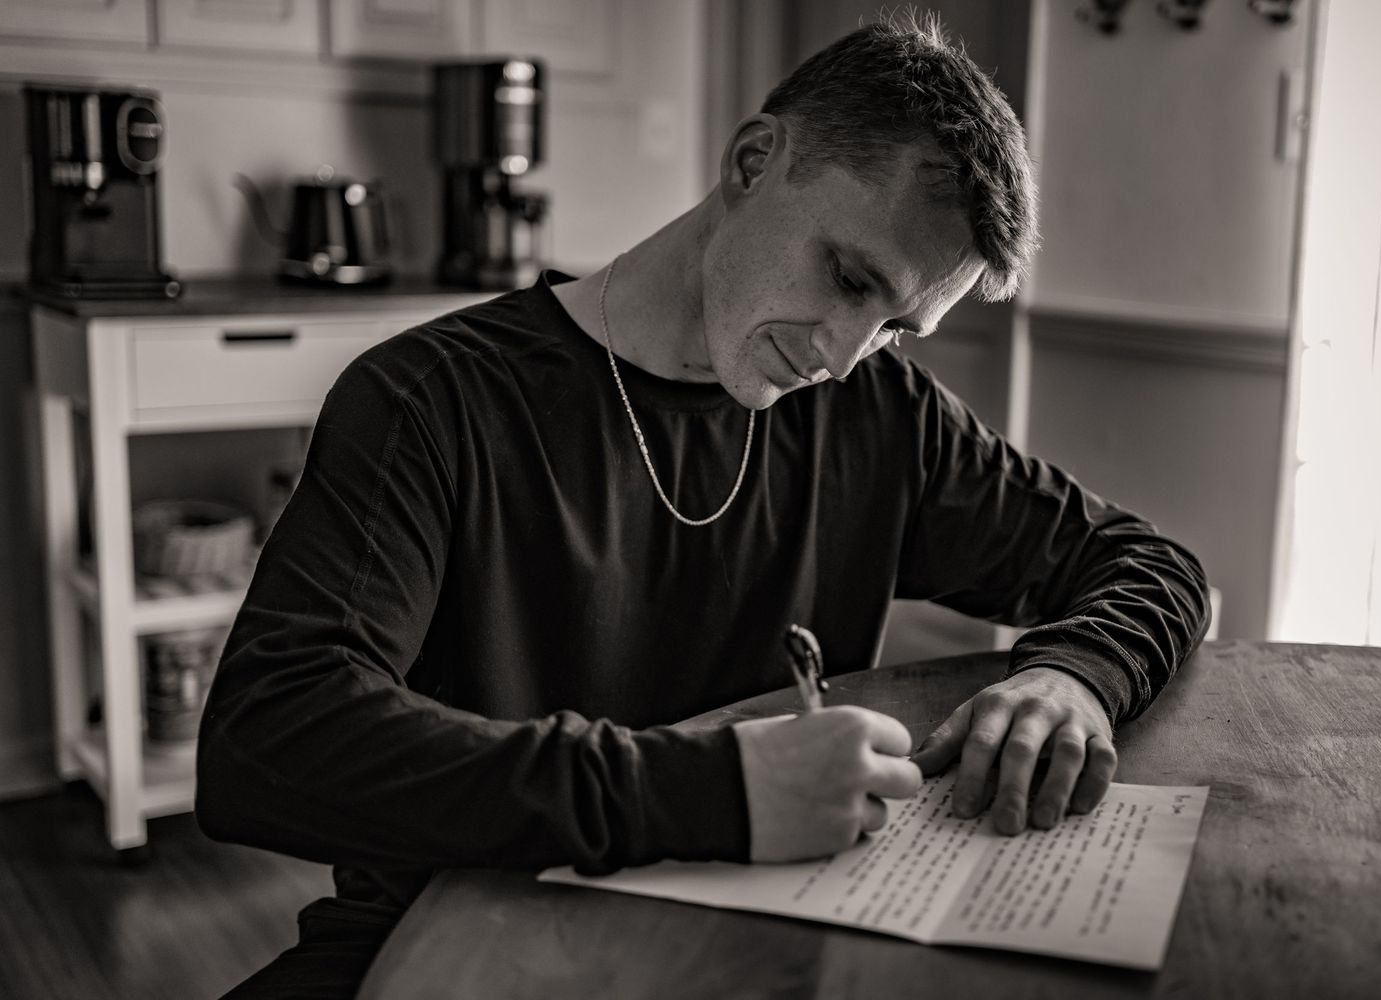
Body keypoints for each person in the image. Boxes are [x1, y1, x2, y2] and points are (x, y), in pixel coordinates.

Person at [197, 13, 1209, 999]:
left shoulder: (880, 415)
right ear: (754, 160)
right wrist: (709, 792)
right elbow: (269, 737)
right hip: (456, 938)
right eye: (849, 276)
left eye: (898, 325)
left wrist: (1077, 677)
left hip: (757, 948)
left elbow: (1152, 563)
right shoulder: (433, 401)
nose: (842, 353)